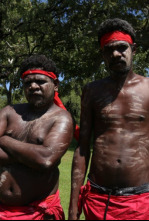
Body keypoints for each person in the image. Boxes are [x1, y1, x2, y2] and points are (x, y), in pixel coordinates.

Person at [68, 18, 149, 220]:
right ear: (102, 54)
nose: (115, 54)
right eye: (108, 50)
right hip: (99, 200)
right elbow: (82, 148)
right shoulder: (92, 91)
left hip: (140, 200)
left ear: (134, 49)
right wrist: (73, 207)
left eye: (122, 47)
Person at [0, 54, 74, 220]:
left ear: (55, 85)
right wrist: (30, 156)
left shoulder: (61, 118)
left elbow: (45, 159)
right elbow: (38, 157)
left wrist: (4, 140)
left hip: (38, 212)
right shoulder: (9, 111)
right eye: (28, 83)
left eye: (40, 81)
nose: (33, 86)